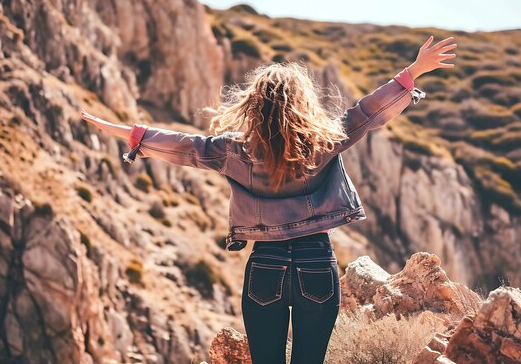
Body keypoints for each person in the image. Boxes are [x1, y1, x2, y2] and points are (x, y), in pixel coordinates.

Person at [81, 35, 456, 364]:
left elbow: (185, 146)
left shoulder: (232, 151)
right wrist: (413, 72)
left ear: (254, 104)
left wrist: (130, 134)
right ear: (302, 102)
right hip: (316, 262)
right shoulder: (325, 140)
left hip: (265, 265)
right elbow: (367, 113)